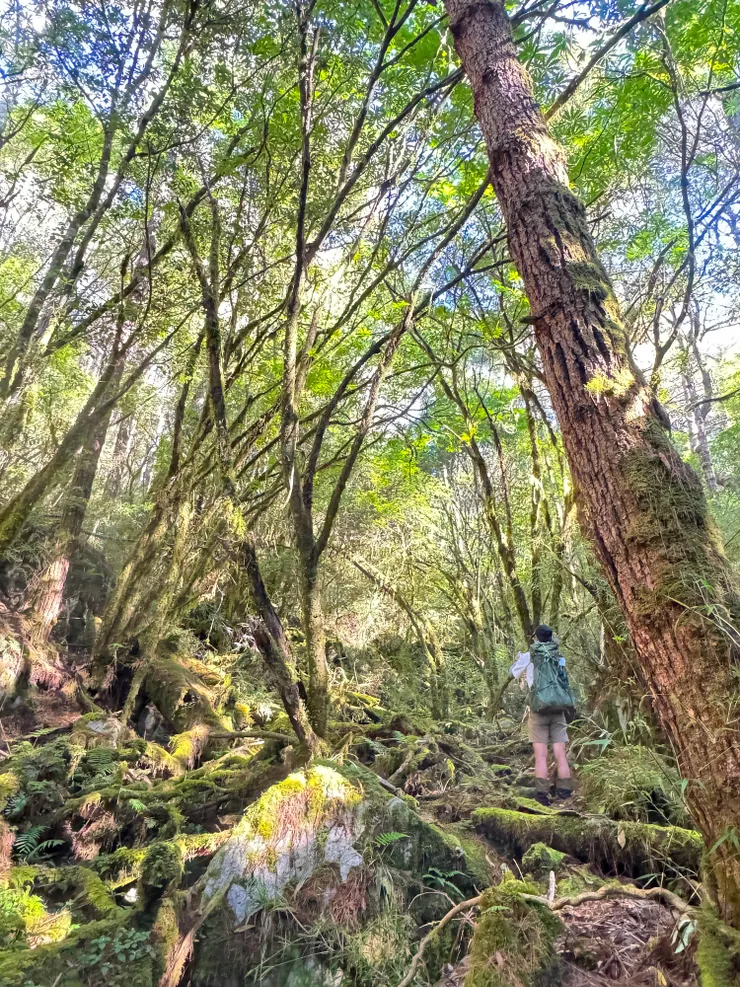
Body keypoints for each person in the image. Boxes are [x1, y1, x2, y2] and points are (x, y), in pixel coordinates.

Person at [510, 623, 573, 806]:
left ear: (536, 638)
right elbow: (563, 678)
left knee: (541, 755)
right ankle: (565, 792)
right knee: (560, 752)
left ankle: (542, 796)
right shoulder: (559, 656)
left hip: (538, 710)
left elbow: (513, 673)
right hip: (558, 709)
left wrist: (520, 659)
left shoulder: (530, 656)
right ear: (551, 638)